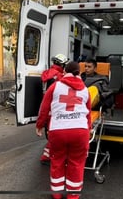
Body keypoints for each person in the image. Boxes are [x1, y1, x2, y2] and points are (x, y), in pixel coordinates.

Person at [36, 61, 91, 199]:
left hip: (58, 131)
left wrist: (39, 125)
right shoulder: (85, 89)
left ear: (64, 71)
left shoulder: (55, 87)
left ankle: (57, 193)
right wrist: (88, 129)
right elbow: (88, 113)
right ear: (79, 73)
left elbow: (44, 108)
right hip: (80, 131)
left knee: (57, 160)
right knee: (77, 163)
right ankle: (73, 195)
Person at [39, 53, 69, 165]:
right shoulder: (59, 76)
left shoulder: (46, 73)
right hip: (55, 107)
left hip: (47, 106)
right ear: (62, 65)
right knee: (55, 133)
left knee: (51, 132)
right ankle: (47, 156)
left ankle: (48, 155)